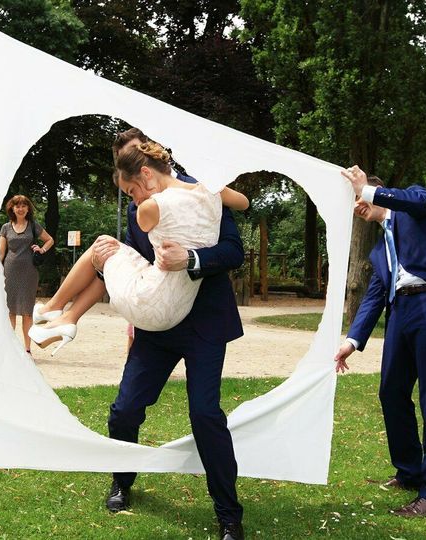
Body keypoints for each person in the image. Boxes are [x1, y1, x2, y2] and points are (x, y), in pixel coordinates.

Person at [90, 128, 247, 540]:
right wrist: (134, 314)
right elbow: (137, 263)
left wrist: (191, 258)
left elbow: (234, 250)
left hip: (205, 325)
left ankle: (229, 515)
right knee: (125, 409)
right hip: (156, 328)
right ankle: (122, 481)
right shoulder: (137, 209)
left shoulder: (203, 192)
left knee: (205, 415)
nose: (133, 193)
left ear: (148, 160)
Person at [334, 166, 426, 518]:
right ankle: (410, 472)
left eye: (359, 197)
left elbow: (420, 199)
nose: (358, 205)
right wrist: (352, 341)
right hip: (401, 312)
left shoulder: (416, 204)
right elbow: (373, 297)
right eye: (354, 201)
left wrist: (367, 190)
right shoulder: (378, 252)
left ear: (378, 190)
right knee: (391, 391)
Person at [28, 142, 248, 353]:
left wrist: (102, 263)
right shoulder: (208, 191)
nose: (134, 200)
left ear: (147, 173)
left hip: (150, 302)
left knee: (104, 243)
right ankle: (64, 316)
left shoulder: (148, 209)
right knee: (110, 250)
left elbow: (144, 235)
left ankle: (56, 309)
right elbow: (243, 202)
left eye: (132, 191)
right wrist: (213, 184)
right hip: (179, 307)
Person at [0, 194, 54, 354]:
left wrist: (42, 249)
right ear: (12, 208)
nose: (20, 208)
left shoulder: (33, 226)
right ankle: (9, 348)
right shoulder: (5, 227)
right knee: (10, 311)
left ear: (28, 208)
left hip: (29, 272)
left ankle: (27, 349)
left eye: (23, 205)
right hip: (9, 272)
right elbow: (1, 252)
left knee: (26, 312)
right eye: (17, 206)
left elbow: (50, 240)